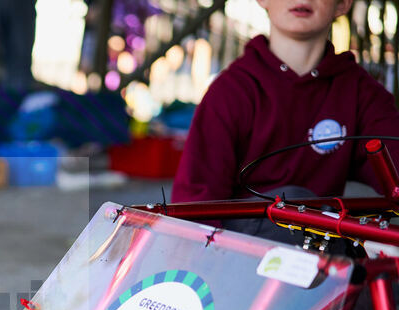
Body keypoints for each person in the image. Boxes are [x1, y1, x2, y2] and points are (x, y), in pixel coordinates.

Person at [171, 0, 399, 210]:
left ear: (343, 4)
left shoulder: (361, 93)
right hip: (241, 247)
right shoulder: (231, 91)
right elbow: (194, 206)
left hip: (320, 245)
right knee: (291, 199)